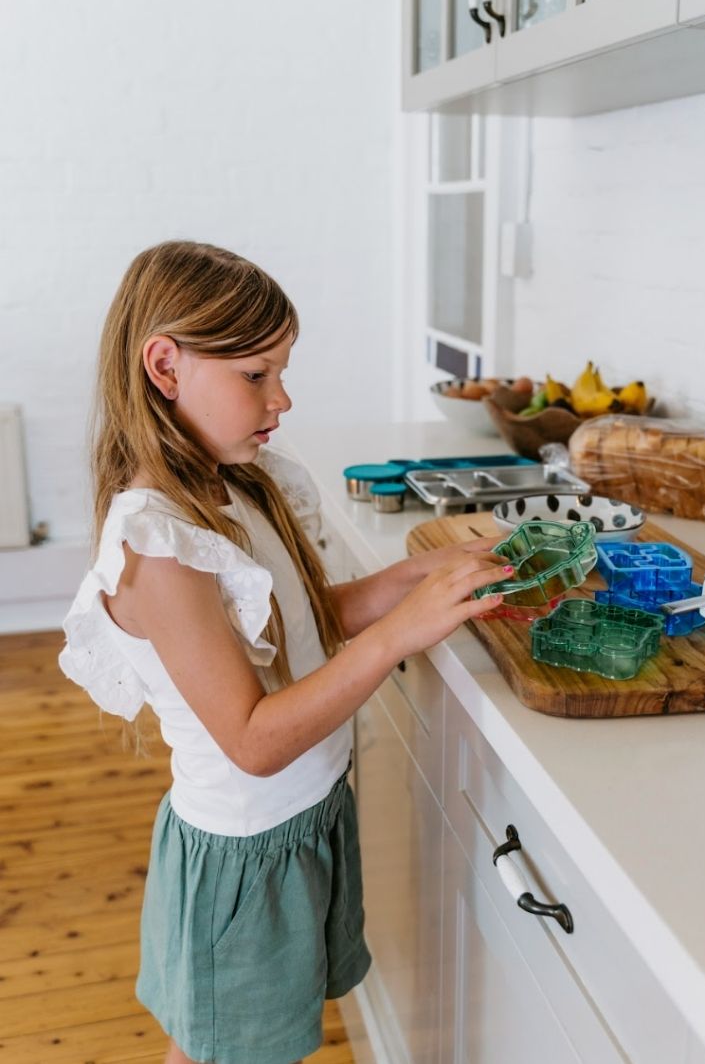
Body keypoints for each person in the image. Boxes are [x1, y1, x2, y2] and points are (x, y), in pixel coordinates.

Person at [58, 240, 507, 1064]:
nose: (282, 398)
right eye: (256, 374)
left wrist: (422, 574)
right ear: (166, 365)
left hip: (302, 823)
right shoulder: (159, 545)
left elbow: (299, 623)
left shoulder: (235, 484)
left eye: (281, 371)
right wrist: (402, 633)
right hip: (243, 861)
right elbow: (254, 738)